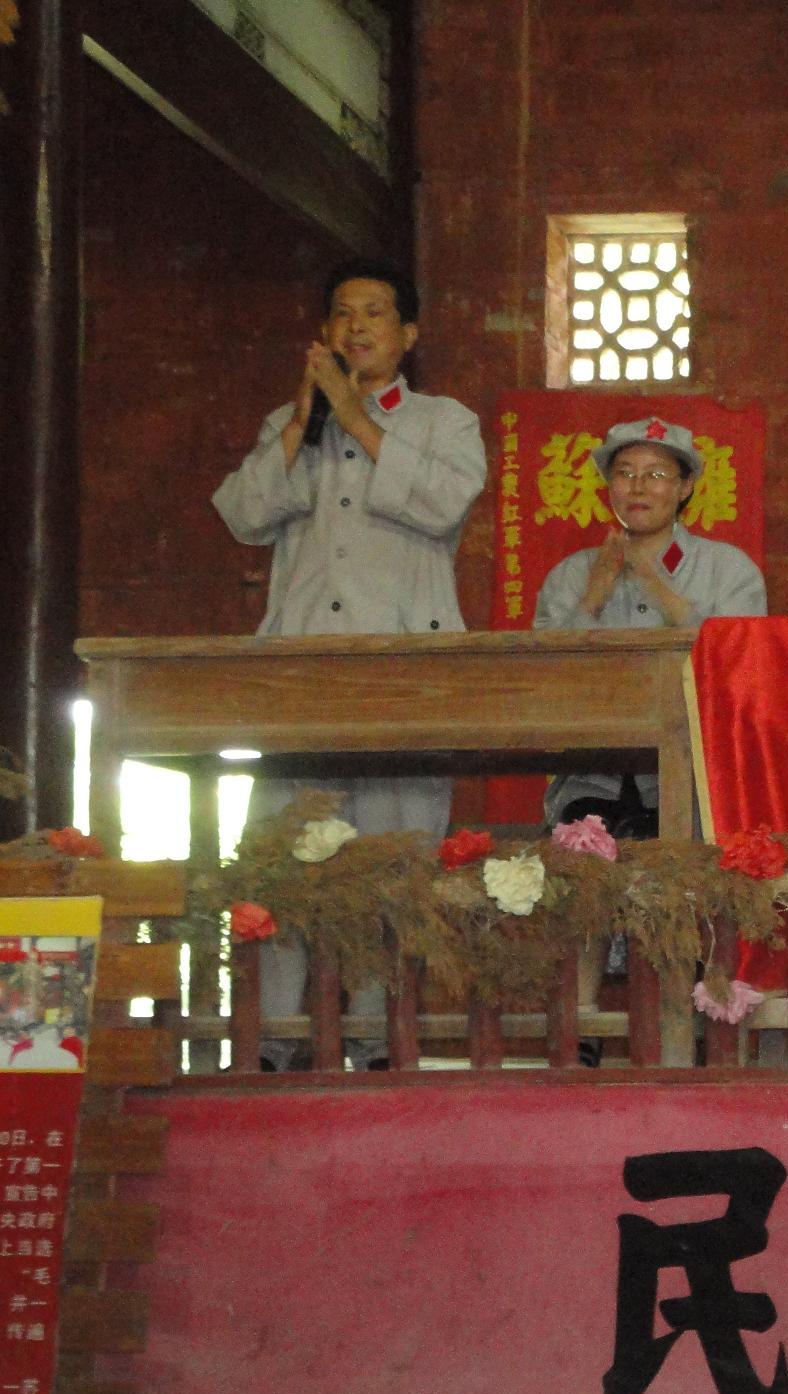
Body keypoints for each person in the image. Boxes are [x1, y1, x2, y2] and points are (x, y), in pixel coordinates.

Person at [212, 256, 486, 1069]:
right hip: (300, 671)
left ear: (408, 334)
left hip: (404, 672)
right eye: (342, 313)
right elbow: (243, 515)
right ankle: (270, 1041)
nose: (356, 326)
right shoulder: (291, 420)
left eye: (374, 313)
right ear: (325, 332)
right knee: (284, 858)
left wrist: (354, 414)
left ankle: (375, 1041)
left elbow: (443, 504)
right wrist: (306, 417)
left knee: (391, 863)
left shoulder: (443, 421)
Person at [534, 416, 767, 834]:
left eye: (656, 475)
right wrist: (593, 596)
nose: (638, 488)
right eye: (625, 474)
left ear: (685, 487)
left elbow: (742, 668)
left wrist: (654, 583)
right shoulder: (573, 574)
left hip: (696, 782)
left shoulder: (729, 569)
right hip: (592, 781)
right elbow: (545, 678)